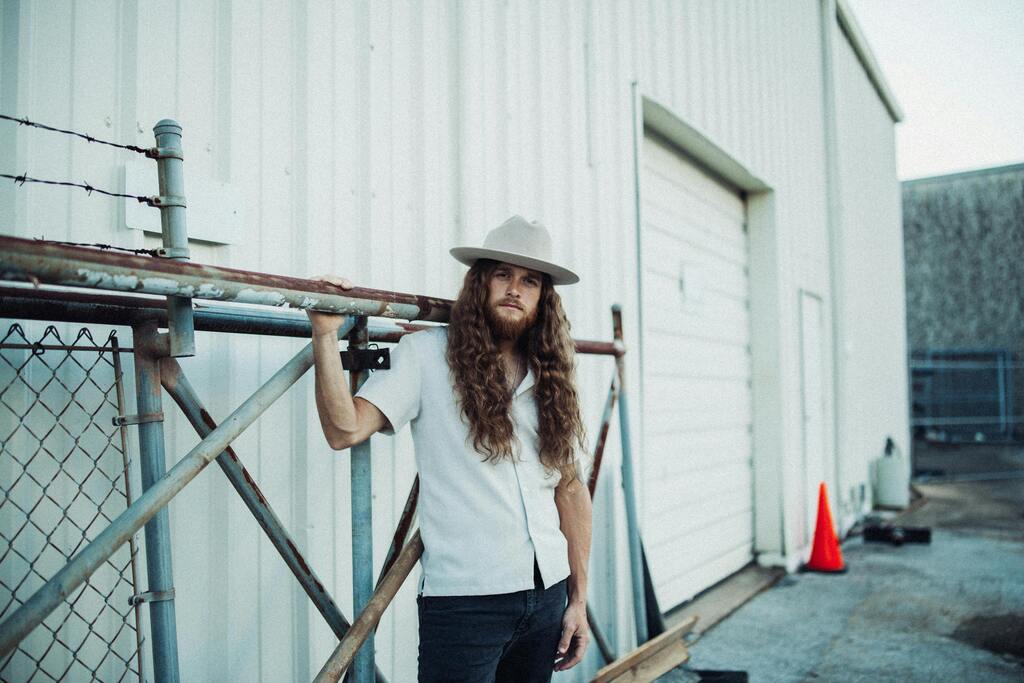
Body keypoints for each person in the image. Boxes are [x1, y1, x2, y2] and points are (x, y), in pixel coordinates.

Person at [307, 215, 592, 682]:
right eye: (502, 274)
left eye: (530, 281)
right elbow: (345, 429)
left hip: (548, 595)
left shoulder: (551, 375)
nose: (514, 289)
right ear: (480, 283)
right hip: (466, 603)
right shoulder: (426, 355)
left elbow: (571, 489)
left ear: (544, 298)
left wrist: (577, 600)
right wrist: (324, 334)